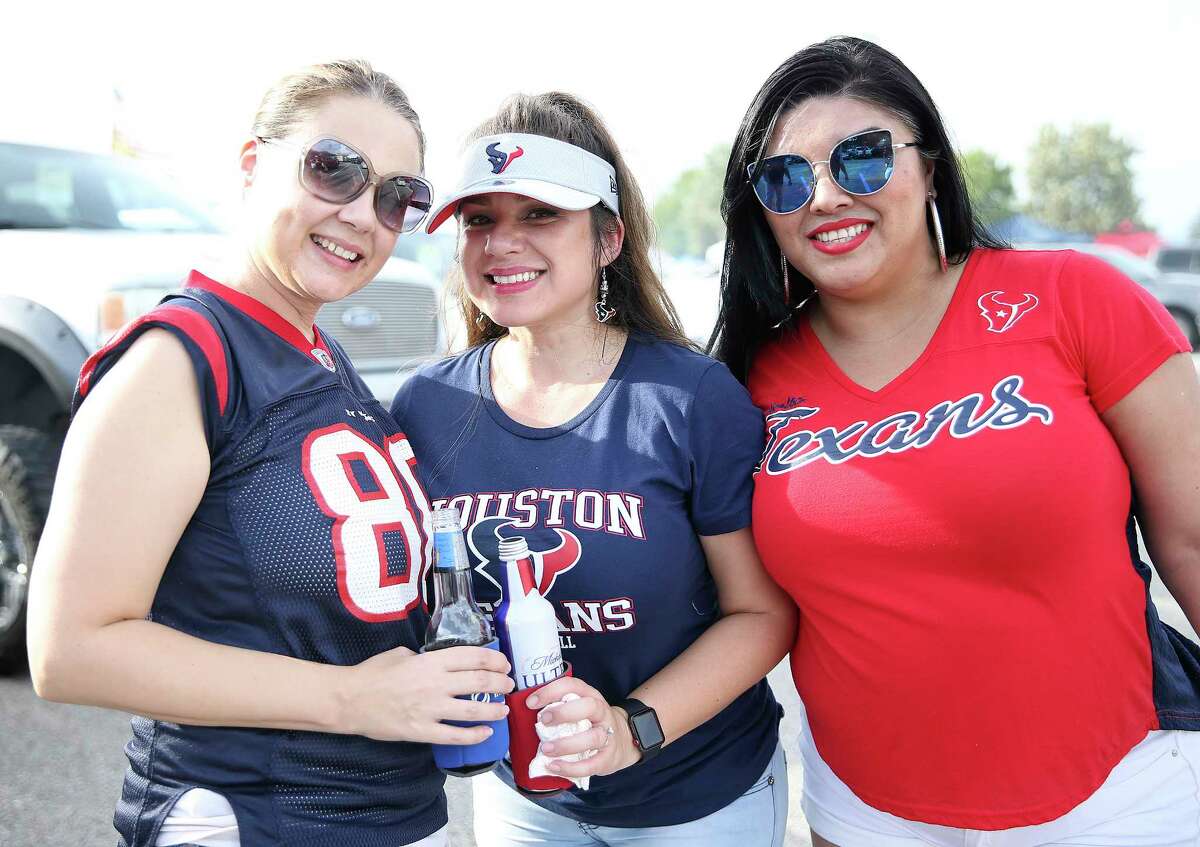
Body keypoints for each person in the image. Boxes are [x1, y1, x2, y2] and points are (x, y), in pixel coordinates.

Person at [713, 35, 1200, 847]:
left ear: (930, 165)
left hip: (1118, 796)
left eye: (863, 158)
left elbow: (1191, 535)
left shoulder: (1075, 300)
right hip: (865, 811)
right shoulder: (742, 380)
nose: (826, 196)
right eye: (786, 178)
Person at [26, 60, 514, 847]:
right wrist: (352, 698)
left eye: (396, 197)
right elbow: (70, 649)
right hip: (250, 814)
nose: (363, 213)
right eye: (333, 169)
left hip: (390, 815)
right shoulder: (178, 359)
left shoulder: (318, 353)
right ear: (254, 165)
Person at [391, 92, 797, 846]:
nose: (502, 242)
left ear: (607, 238)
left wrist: (628, 726)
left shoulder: (689, 398)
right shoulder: (425, 406)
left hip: (697, 797)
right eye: (480, 219)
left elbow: (762, 613)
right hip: (528, 801)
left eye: (540, 213)